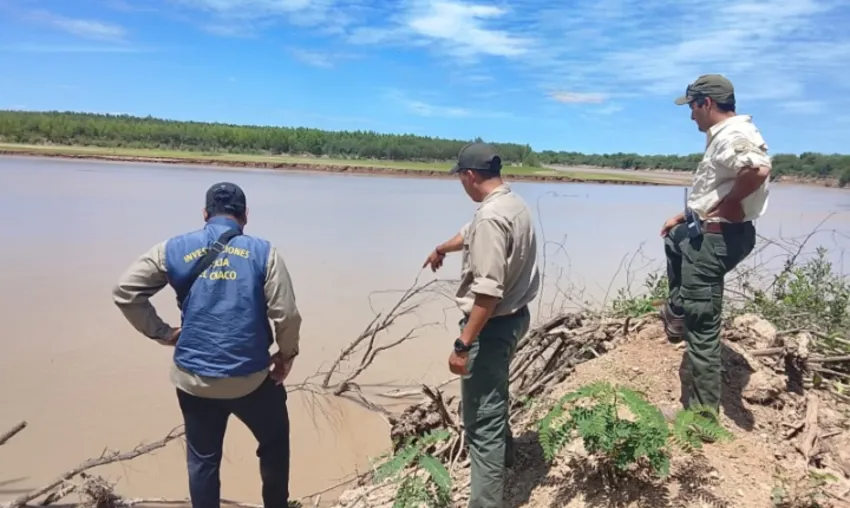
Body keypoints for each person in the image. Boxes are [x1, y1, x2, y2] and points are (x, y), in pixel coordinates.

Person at [112, 182, 302, 508]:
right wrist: (286, 355)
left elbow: (125, 291)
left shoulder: (171, 249)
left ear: (204, 214)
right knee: (274, 442)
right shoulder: (264, 253)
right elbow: (287, 315)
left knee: (203, 461)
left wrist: (164, 333)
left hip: (194, 379)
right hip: (252, 379)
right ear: (245, 216)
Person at [423, 142, 540, 508]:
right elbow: (470, 232)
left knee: (481, 423)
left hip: (491, 326)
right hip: (516, 317)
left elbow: (488, 292)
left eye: (460, 176)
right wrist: (442, 248)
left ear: (470, 176)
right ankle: (507, 459)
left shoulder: (490, 218)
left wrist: (463, 345)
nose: (460, 182)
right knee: (493, 393)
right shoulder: (511, 203)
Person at [660, 74, 771, 420]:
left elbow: (757, 169)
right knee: (675, 240)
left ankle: (701, 416)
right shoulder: (726, 134)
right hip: (710, 232)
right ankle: (677, 311)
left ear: (706, 103)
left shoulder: (733, 135)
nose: (691, 114)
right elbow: (717, 187)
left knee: (703, 326)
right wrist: (686, 214)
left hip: (715, 239)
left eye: (693, 106)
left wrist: (731, 205)